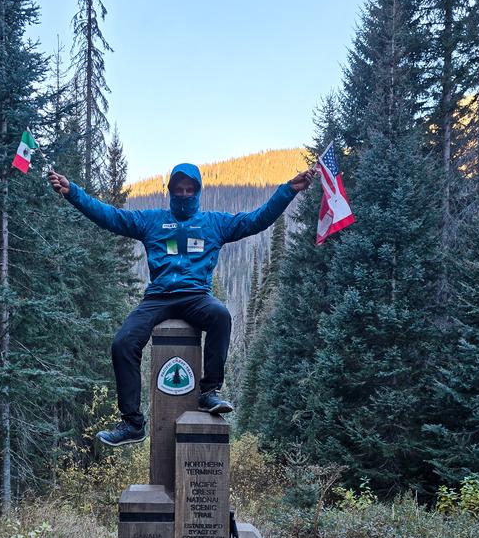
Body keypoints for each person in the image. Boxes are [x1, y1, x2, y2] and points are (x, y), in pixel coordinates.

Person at [48, 162, 315, 446]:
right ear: (171, 191)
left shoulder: (214, 223)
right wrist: (72, 192)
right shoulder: (151, 221)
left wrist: (289, 190)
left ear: (197, 192)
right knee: (123, 343)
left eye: (190, 189)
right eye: (179, 189)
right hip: (158, 297)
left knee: (220, 315)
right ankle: (132, 424)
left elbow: (256, 220)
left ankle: (209, 392)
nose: (184, 194)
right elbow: (110, 217)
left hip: (196, 295)